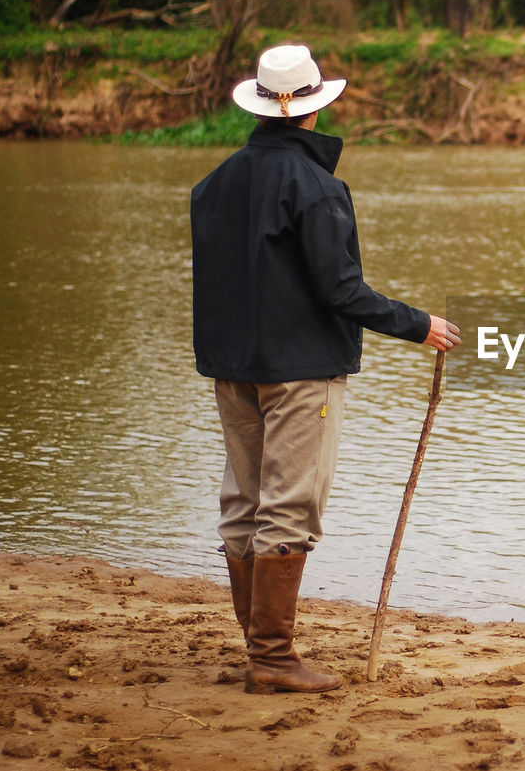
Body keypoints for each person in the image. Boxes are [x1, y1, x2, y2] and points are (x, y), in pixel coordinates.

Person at [190, 44, 460, 694]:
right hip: (299, 370)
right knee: (289, 503)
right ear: (313, 109)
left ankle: (262, 650)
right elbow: (341, 290)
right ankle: (274, 658)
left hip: (233, 369)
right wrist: (419, 324)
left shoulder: (215, 183)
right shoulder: (317, 186)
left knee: (244, 501)